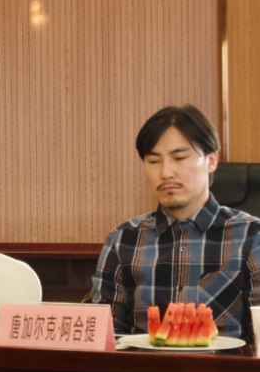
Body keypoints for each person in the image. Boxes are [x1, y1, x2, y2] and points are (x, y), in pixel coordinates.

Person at [92, 104, 260, 339]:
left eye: (179, 158)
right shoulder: (122, 240)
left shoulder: (252, 236)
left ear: (211, 160)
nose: (165, 173)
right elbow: (105, 339)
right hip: (142, 364)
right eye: (153, 161)